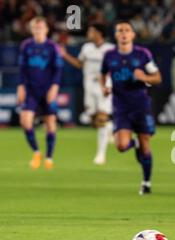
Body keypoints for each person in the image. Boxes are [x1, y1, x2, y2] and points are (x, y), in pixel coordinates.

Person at [100, 21, 162, 195]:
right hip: (120, 107)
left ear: (133, 35)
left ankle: (146, 182)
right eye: (120, 30)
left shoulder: (142, 54)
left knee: (145, 145)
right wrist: (104, 86)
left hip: (141, 105)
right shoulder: (109, 56)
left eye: (127, 30)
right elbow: (103, 73)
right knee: (121, 145)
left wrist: (144, 77)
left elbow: (157, 77)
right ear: (116, 35)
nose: (124, 33)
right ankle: (132, 143)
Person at [60, 24, 115, 165]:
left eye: (91, 31)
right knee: (94, 121)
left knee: (102, 118)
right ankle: (110, 128)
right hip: (89, 87)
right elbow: (80, 64)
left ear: (99, 33)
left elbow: (116, 66)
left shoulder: (110, 49)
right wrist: (65, 55)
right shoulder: (87, 48)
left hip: (104, 87)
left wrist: (105, 76)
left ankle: (101, 155)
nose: (88, 33)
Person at [17, 16, 63, 170]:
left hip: (47, 89)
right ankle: (37, 152)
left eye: (41, 27)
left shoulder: (53, 47)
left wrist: (54, 88)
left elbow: (58, 70)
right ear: (31, 30)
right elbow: (22, 69)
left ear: (46, 30)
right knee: (25, 121)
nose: (38, 30)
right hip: (31, 90)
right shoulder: (26, 46)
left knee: (50, 123)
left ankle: (49, 157)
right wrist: (21, 86)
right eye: (35, 28)